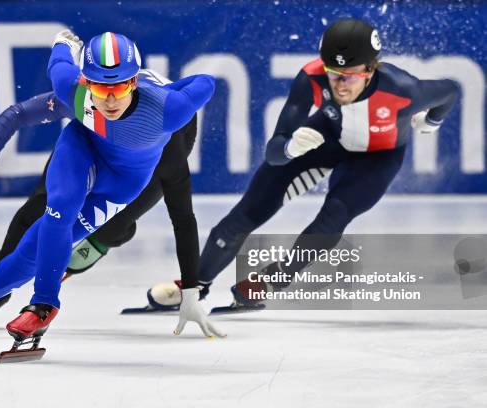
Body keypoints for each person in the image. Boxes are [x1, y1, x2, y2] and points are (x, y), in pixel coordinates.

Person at [0, 30, 222, 352]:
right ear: (85, 81)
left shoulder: (169, 110)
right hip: (82, 149)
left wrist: (164, 88)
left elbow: (206, 80)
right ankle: (43, 305)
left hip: (122, 183)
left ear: (134, 81)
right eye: (99, 87)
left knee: (36, 247)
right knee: (59, 210)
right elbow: (20, 112)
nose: (109, 100)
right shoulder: (74, 92)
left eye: (120, 86)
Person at [145, 18, 461, 311]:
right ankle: (194, 285)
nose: (340, 85)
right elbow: (274, 151)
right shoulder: (312, 76)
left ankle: (276, 278)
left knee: (333, 217)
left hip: (377, 157)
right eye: (334, 74)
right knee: (246, 212)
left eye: (350, 76)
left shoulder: (403, 90)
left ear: (371, 69)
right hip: (325, 136)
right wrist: (290, 147)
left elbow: (450, 90)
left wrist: (432, 122)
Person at [0, 72, 201, 320]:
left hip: (151, 147)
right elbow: (22, 113)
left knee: (113, 225)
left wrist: (190, 291)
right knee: (45, 205)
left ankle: (83, 255)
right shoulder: (87, 103)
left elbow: (183, 218)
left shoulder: (165, 144)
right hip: (101, 120)